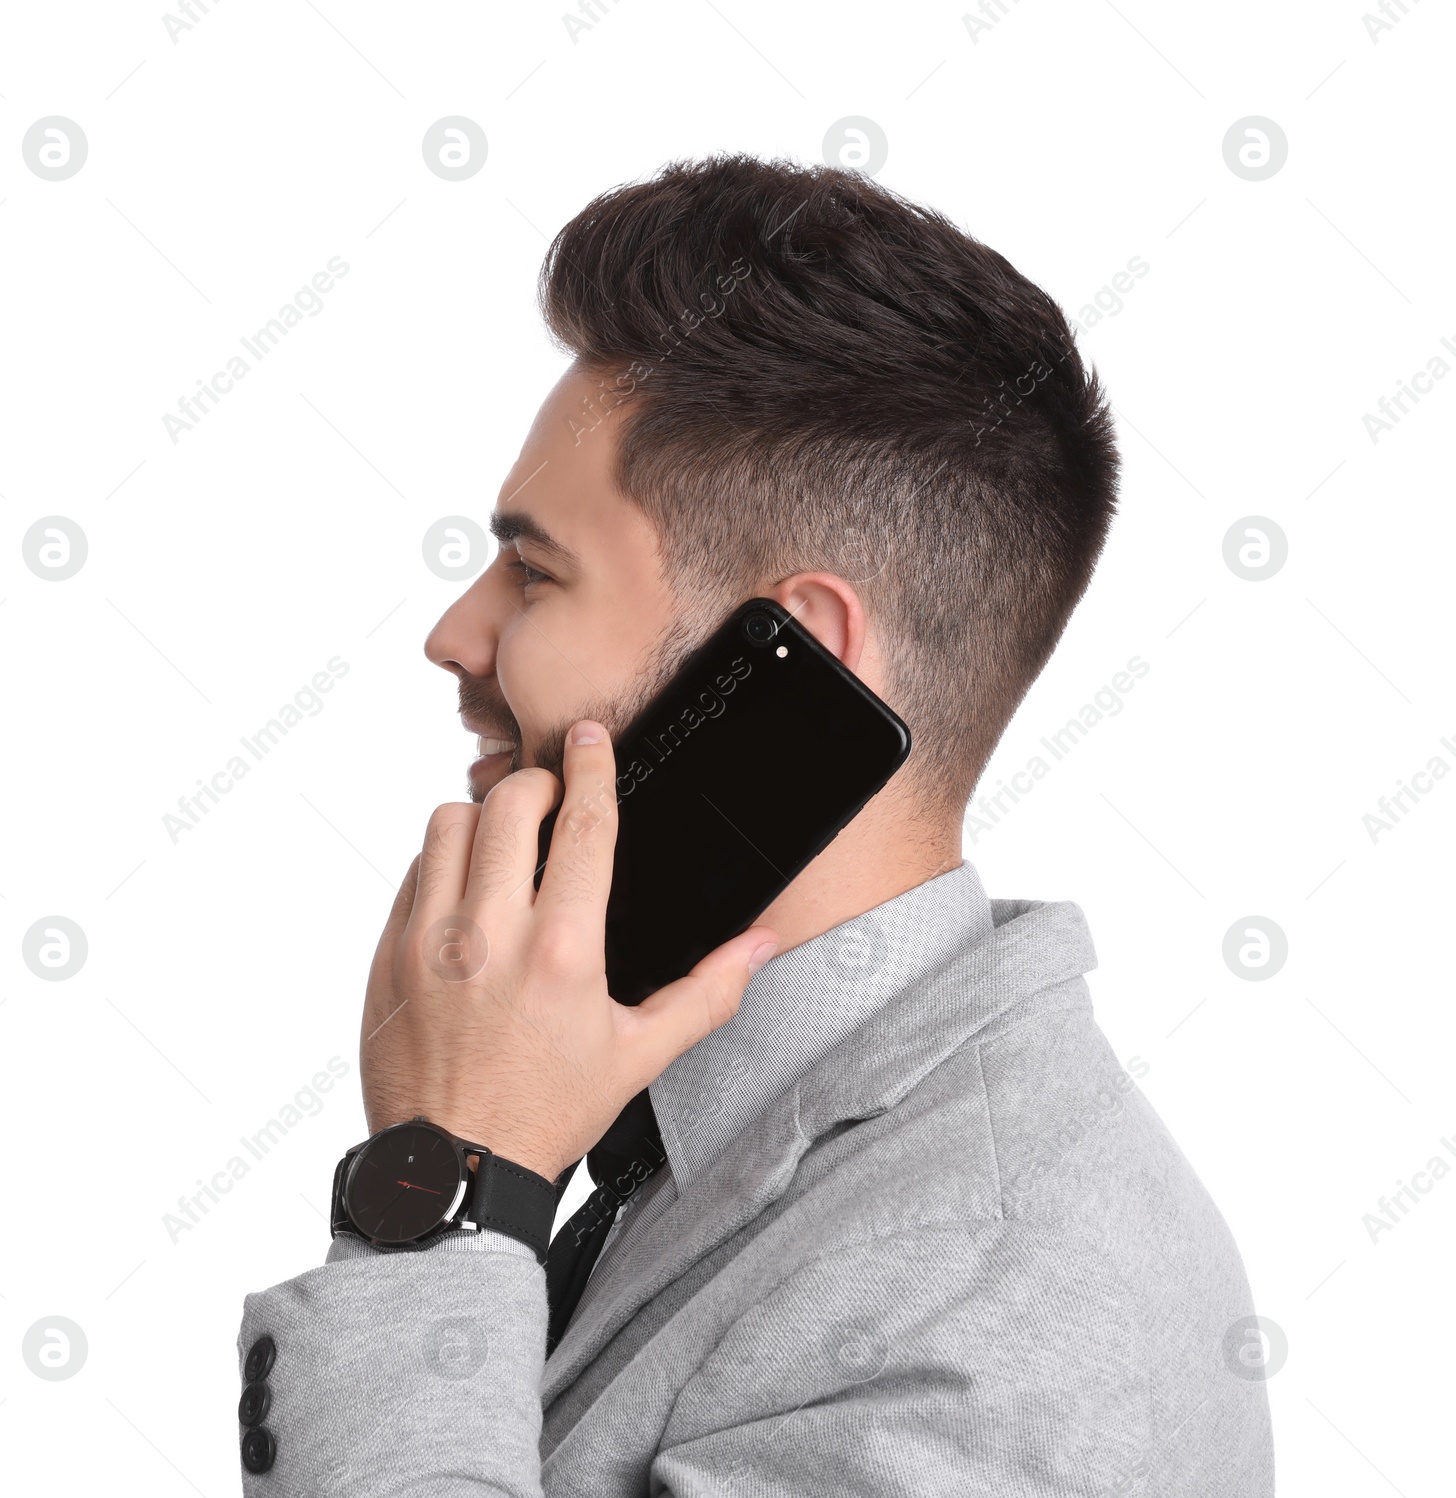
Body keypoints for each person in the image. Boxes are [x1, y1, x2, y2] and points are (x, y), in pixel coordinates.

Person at [232, 153, 1274, 1495]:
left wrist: (447, 1200)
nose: (456, 634)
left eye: (535, 570)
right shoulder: (694, 1129)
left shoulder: (992, 1308)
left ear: (794, 662)